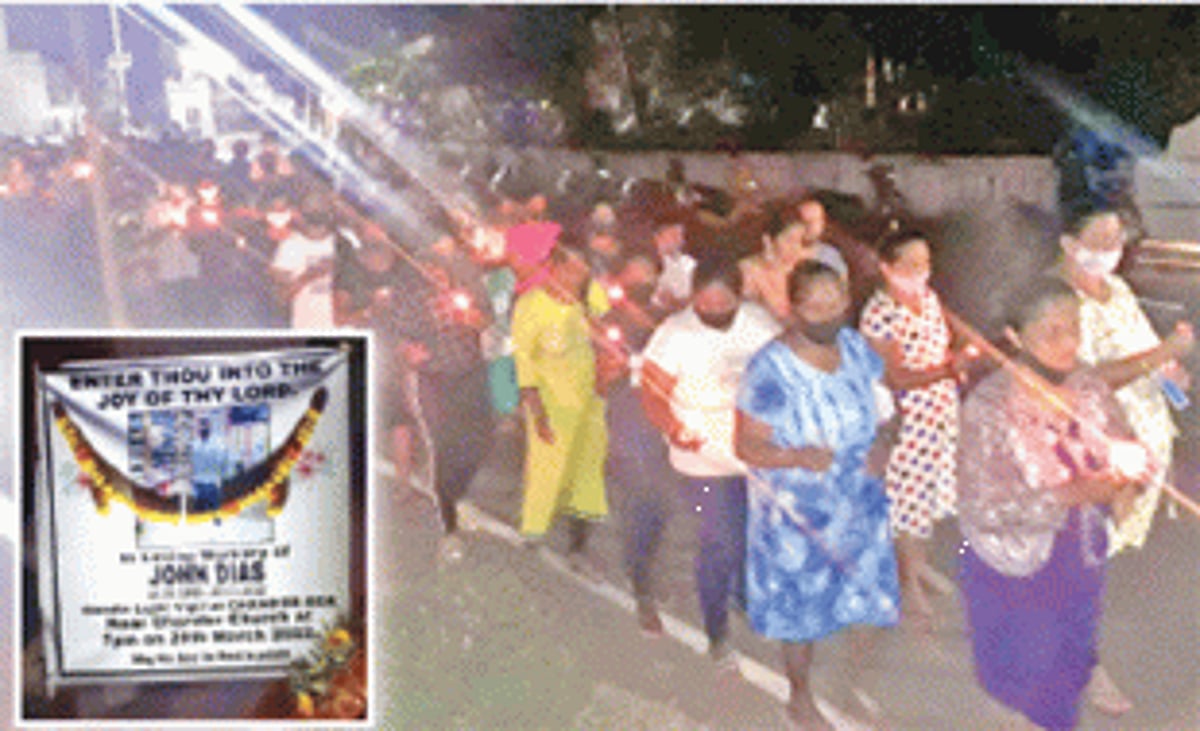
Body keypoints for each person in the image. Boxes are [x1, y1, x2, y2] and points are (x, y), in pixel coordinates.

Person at [958, 276, 1150, 730]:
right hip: (1014, 564)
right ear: (1015, 338)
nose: (1069, 345)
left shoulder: (1086, 385)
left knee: (1069, 650)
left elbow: (1130, 445)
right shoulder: (988, 407)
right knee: (1034, 671)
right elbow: (983, 507)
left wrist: (1128, 483)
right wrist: (1078, 493)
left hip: (1079, 553)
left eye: (1074, 329)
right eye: (1051, 333)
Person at [735, 260, 901, 729]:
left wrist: (885, 444)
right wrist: (797, 457)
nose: (827, 313)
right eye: (815, 305)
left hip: (859, 502)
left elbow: (887, 408)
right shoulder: (770, 368)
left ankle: (850, 687)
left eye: (836, 303)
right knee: (801, 613)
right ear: (793, 308)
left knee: (866, 602)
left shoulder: (855, 348)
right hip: (797, 514)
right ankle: (800, 698)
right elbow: (746, 445)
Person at [640, 252, 780, 666]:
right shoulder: (674, 334)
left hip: (753, 452)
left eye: (724, 303)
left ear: (739, 297)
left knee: (753, 536)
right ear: (693, 297)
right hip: (701, 457)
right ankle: (717, 633)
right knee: (721, 542)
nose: (714, 311)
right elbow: (652, 393)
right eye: (705, 303)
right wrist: (673, 427)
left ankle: (746, 598)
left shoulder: (759, 324)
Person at [1054, 204, 1195, 553]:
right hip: (1098, 448)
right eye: (1100, 240)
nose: (1110, 249)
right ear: (1070, 244)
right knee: (1083, 550)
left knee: (1110, 553)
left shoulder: (1116, 289)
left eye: (1117, 240)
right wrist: (1162, 354)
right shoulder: (1057, 301)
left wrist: (1171, 373)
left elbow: (1143, 348)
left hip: (1139, 455)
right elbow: (1082, 380)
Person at [859, 228, 973, 630]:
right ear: (887, 268)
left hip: (939, 413)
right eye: (910, 264)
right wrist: (948, 368)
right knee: (908, 504)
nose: (921, 272)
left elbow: (940, 344)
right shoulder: (880, 313)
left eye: (925, 263)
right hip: (907, 420)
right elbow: (895, 378)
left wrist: (957, 359)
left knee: (929, 498)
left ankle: (919, 567)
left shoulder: (928, 299)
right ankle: (909, 586)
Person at [391, 232, 494, 563]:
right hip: (435, 381)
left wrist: (474, 319)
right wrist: (409, 353)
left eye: (440, 267)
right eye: (427, 266)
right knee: (445, 448)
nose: (434, 273)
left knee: (479, 442)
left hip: (472, 374)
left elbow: (487, 319)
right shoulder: (410, 297)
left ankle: (457, 495)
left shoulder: (467, 290)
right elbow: (399, 338)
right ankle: (450, 527)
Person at [511, 234, 609, 571]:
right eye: (571, 271)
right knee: (547, 466)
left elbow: (613, 329)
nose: (577, 278)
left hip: (592, 400)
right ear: (552, 269)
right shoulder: (531, 305)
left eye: (583, 272)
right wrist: (536, 411)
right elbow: (524, 361)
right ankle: (534, 529)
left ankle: (578, 543)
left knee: (587, 471)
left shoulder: (591, 297)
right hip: (551, 401)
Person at [598, 252, 679, 635]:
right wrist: (613, 369)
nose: (643, 280)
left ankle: (648, 568)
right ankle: (643, 588)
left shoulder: (669, 324)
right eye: (637, 272)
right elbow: (600, 380)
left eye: (650, 274)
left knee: (661, 506)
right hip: (629, 426)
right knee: (638, 502)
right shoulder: (610, 324)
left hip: (664, 429)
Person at [741, 204, 848, 324]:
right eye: (789, 240)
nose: (795, 248)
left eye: (800, 241)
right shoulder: (749, 271)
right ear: (768, 240)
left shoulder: (808, 264)